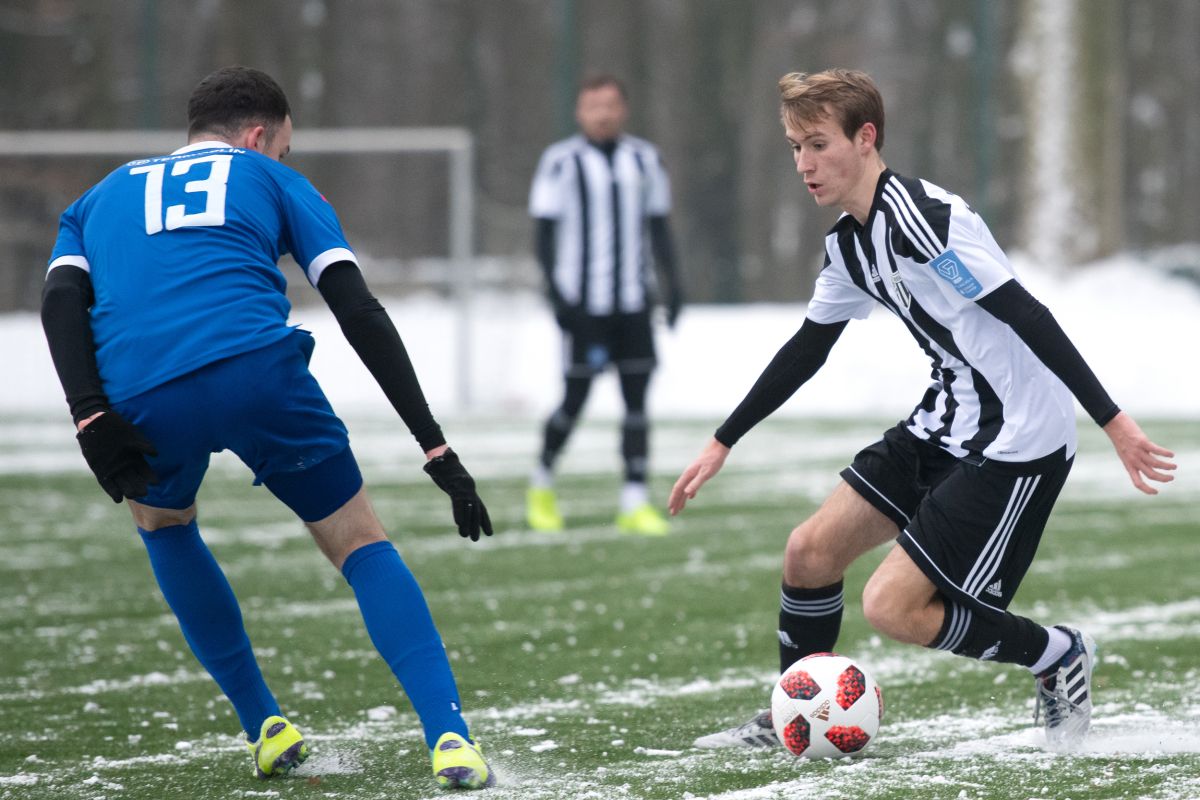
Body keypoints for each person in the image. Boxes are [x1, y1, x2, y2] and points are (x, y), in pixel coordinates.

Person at [669, 69, 1176, 752]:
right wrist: (722, 440)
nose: (804, 164)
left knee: (892, 607)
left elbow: (1024, 312)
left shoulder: (923, 223)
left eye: (818, 144)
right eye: (795, 148)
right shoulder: (849, 245)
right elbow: (808, 348)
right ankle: (795, 708)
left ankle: (1058, 655)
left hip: (1016, 434)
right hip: (946, 419)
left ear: (865, 138)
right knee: (808, 553)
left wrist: (1114, 422)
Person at [41, 66, 496, 790]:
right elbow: (357, 308)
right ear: (258, 137)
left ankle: (264, 726)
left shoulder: (96, 198)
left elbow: (61, 302)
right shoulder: (272, 177)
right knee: (360, 543)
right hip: (256, 374)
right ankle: (450, 738)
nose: (284, 158)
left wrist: (89, 414)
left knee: (165, 527)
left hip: (142, 392)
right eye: (285, 147)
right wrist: (434, 446)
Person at [525, 74, 684, 536]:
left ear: (624, 109)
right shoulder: (560, 161)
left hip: (633, 304)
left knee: (637, 402)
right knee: (574, 399)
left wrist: (675, 287)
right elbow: (543, 235)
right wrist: (557, 296)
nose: (603, 114)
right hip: (584, 306)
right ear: (579, 112)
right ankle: (542, 484)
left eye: (610, 105)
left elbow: (659, 227)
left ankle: (634, 500)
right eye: (593, 105)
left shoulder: (645, 159)